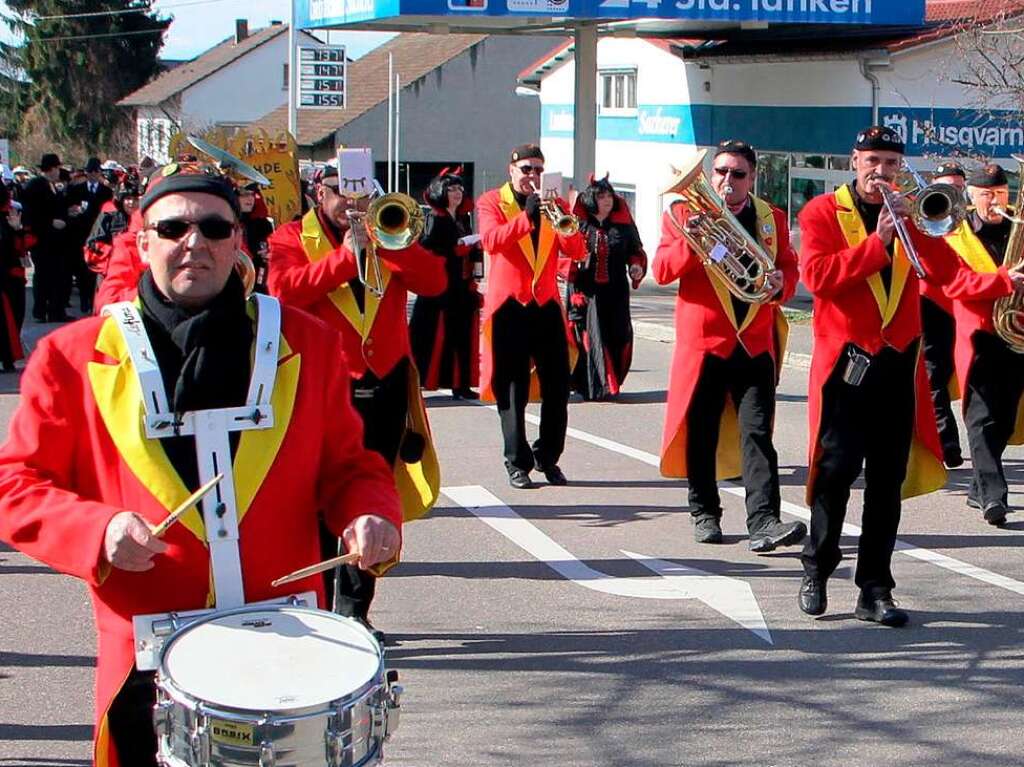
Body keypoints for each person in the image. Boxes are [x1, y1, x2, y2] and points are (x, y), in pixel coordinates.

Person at [0, 162, 403, 767]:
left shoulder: (308, 341)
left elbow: (350, 465)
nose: (195, 242)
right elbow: (16, 486)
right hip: (146, 658)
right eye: (172, 228)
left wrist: (371, 512)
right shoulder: (72, 356)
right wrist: (98, 530)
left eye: (215, 228)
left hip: (289, 651)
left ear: (238, 240)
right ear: (141, 242)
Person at [795, 126, 1016, 627]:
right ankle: (817, 566)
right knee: (834, 474)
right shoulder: (822, 213)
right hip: (846, 367)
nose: (881, 171)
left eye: (891, 163)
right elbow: (819, 278)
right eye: (873, 160)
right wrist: (878, 244)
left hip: (898, 366)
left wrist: (1005, 280)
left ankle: (875, 588)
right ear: (854, 161)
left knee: (886, 482)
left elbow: (947, 274)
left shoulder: (914, 212)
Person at [267, 163, 444, 630]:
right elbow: (283, 291)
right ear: (316, 193)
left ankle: (354, 611)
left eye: (362, 193)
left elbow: (435, 282)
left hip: (384, 382)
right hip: (320, 384)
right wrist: (346, 258)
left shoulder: (390, 234)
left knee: (369, 496)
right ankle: (314, 604)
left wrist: (393, 247)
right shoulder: (291, 237)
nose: (352, 203)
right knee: (314, 498)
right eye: (341, 193)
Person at [653, 140, 805, 553]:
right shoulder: (684, 215)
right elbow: (663, 270)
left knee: (758, 434)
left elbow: (788, 266)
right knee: (700, 433)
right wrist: (695, 239)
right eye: (720, 172)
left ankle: (764, 521)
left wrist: (781, 286)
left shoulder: (770, 218)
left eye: (738, 174)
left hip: (754, 344)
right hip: (705, 345)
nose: (727, 181)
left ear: (752, 177)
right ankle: (704, 511)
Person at [477, 144, 586, 489]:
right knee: (512, 388)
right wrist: (526, 218)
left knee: (558, 386)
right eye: (526, 169)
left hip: (545, 304)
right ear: (511, 171)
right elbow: (491, 241)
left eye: (538, 170)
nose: (532, 176)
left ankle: (547, 455)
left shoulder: (556, 203)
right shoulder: (493, 201)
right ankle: (517, 462)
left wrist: (563, 222)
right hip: (509, 306)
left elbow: (578, 250)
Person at [942, 163, 1024, 526]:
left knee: (1005, 420)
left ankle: (978, 488)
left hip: (1015, 333)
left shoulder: (1019, 231)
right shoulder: (957, 236)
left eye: (1002, 194)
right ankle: (994, 495)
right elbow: (955, 286)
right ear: (971, 198)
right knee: (981, 418)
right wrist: (1003, 281)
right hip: (978, 337)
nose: (996, 202)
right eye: (988, 195)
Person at [562, 174, 646, 401]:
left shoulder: (624, 226)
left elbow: (636, 251)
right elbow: (561, 255)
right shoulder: (578, 225)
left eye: (609, 195)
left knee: (619, 335)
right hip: (587, 291)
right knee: (592, 338)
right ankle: (595, 387)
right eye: (601, 196)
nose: (607, 200)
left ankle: (611, 381)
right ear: (591, 200)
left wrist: (636, 267)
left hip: (616, 290)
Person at [409, 167, 482, 398]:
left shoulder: (462, 219)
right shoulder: (433, 218)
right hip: (438, 290)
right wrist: (456, 249)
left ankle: (460, 385)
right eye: (451, 188)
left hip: (460, 287)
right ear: (441, 191)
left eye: (460, 188)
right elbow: (428, 249)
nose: (457, 192)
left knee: (462, 337)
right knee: (431, 337)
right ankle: (420, 382)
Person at [919, 160, 969, 467]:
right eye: (948, 187)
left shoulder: (973, 222)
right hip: (932, 305)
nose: (955, 193)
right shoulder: (925, 217)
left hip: (967, 304)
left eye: (959, 188)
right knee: (933, 375)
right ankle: (946, 440)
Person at [19, 153, 71, 322]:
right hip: (43, 240)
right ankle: (42, 310)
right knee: (44, 276)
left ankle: (55, 309)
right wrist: (50, 222)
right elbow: (31, 214)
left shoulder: (51, 185)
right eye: (56, 168)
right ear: (51, 169)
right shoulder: (36, 186)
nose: (58, 171)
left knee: (55, 275)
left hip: (55, 240)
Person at [66, 157, 114, 314]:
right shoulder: (76, 190)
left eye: (96, 171)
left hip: (98, 234)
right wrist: (73, 213)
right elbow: (69, 210)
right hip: (79, 234)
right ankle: (84, 300)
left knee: (94, 270)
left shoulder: (106, 191)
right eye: (90, 171)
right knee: (81, 270)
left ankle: (92, 300)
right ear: (86, 173)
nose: (93, 174)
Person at [0, 184, 30, 371]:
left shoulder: (12, 213)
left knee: (15, 316)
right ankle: (7, 357)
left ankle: (9, 357)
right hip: (8, 276)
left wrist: (17, 229)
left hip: (11, 275)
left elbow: (23, 246)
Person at [238, 181, 275, 292]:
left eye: (252, 194)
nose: (250, 199)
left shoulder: (263, 224)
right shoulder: (225, 221)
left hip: (257, 282)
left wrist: (270, 253)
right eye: (245, 194)